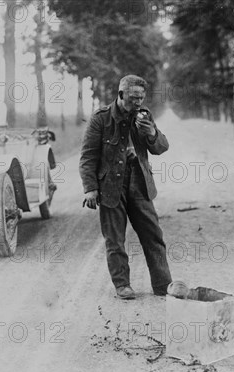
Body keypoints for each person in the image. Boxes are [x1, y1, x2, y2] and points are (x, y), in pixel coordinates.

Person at [79, 74, 172, 300]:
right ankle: (122, 285)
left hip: (139, 183)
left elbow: (162, 147)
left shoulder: (144, 116)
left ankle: (163, 285)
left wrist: (150, 132)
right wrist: (90, 188)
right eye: (133, 98)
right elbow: (88, 157)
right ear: (121, 95)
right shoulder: (101, 119)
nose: (138, 103)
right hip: (111, 186)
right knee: (115, 239)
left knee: (153, 235)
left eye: (141, 98)